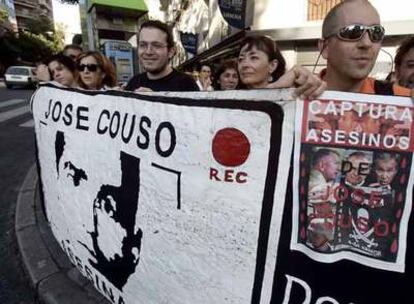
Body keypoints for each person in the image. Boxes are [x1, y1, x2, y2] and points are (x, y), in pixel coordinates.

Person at [317, 0, 412, 96]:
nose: (366, 43)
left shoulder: (401, 99)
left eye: (376, 32)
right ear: (325, 47)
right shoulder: (303, 94)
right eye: (352, 32)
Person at [238, 35, 326, 98]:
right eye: (240, 59)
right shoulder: (228, 97)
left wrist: (309, 84)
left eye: (253, 58)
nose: (244, 65)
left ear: (272, 65)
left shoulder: (290, 97)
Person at [125, 20, 199, 92]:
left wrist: (154, 101)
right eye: (143, 45)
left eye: (156, 46)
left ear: (170, 51)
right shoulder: (133, 83)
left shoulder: (186, 85)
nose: (148, 52)